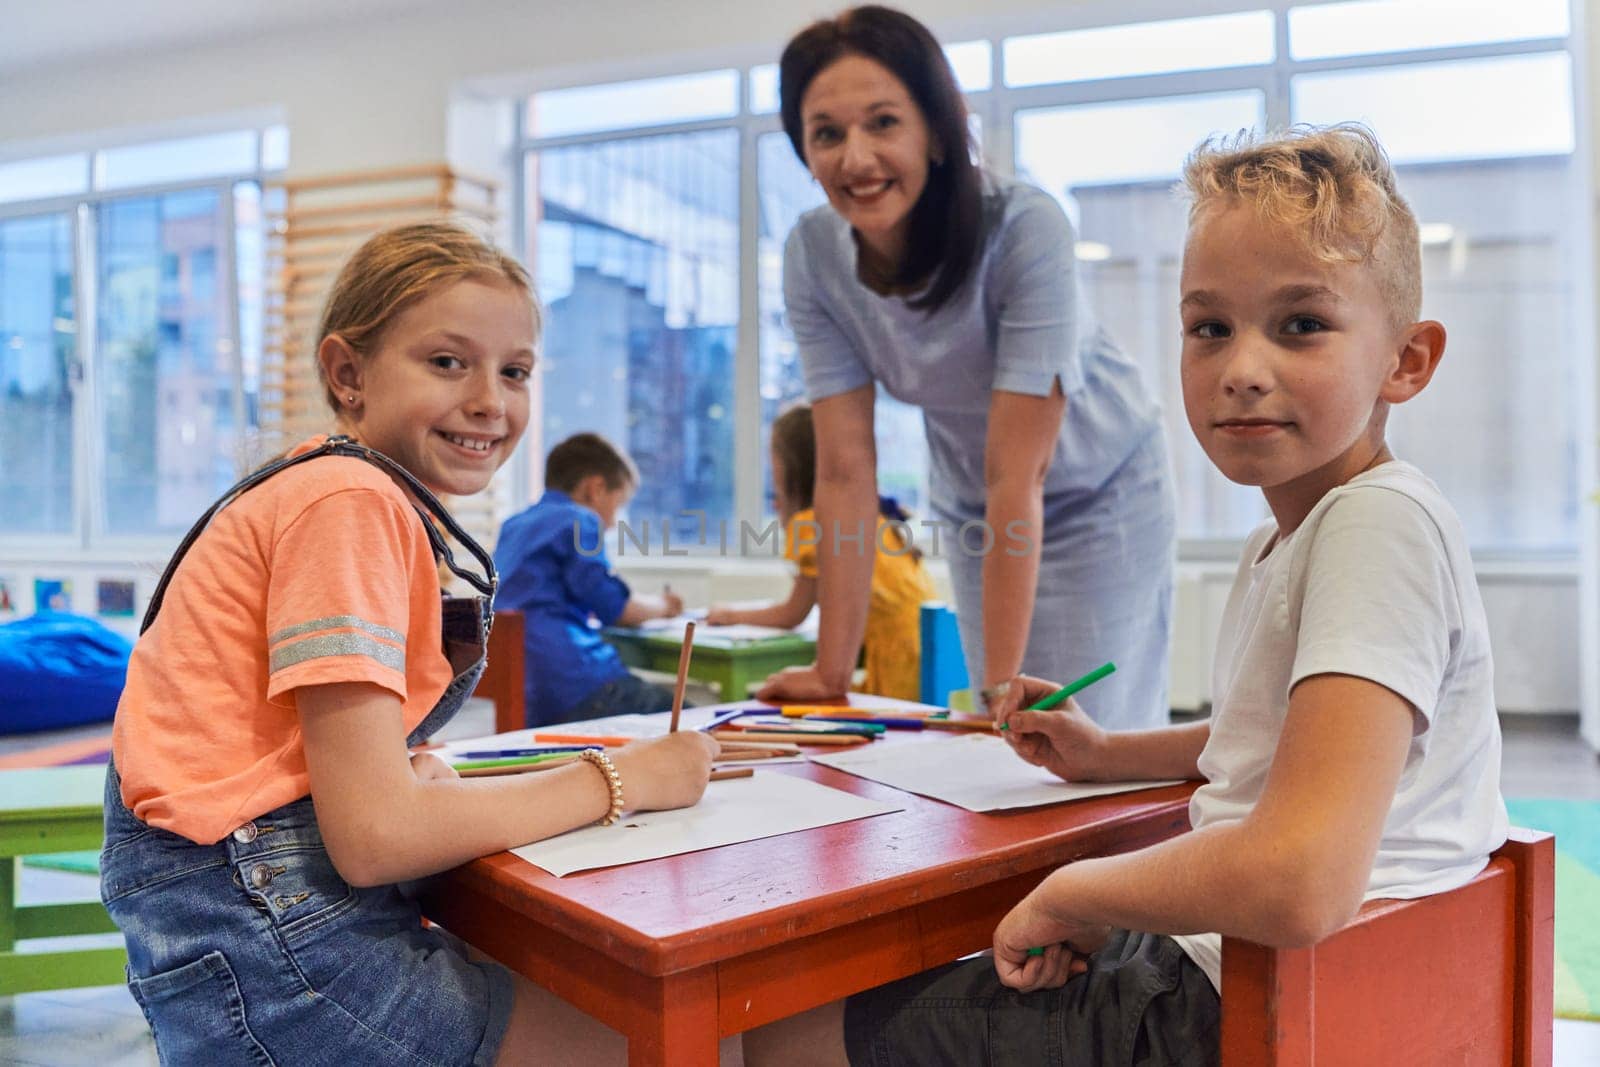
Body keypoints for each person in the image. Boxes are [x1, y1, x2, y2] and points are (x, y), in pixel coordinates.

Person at [744, 123, 1509, 1067]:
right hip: (1265, 972)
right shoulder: (1300, 532)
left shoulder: (1372, 527)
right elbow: (1274, 739)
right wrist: (1107, 753)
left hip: (1231, 995)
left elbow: (1302, 879)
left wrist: (1081, 890)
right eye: (1209, 327)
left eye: (1301, 323)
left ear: (1407, 359)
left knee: (774, 1029)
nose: (1241, 367)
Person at [101, 221, 718, 1065]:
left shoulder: (348, 489)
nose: (489, 402)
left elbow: (341, 782)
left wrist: (397, 770)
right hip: (274, 935)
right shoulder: (348, 501)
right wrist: (623, 777)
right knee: (664, 1041)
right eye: (447, 362)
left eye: (515, 372)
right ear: (348, 374)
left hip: (259, 915)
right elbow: (377, 837)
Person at [756, 5, 1176, 731]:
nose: (855, 159)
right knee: (1008, 733)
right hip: (977, 498)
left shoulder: (1023, 227)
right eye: (827, 133)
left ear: (937, 132)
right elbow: (845, 471)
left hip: (1101, 486)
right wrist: (832, 670)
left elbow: (1021, 473)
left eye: (883, 122)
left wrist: (1004, 685)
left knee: (1085, 728)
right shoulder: (814, 254)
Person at [707, 402, 935, 700]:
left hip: (897, 669)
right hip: (926, 654)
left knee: (774, 699)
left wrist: (730, 614)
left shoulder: (813, 523)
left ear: (790, 467)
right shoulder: (869, 514)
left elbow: (792, 613)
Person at [494, 431, 687, 726]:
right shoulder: (579, 519)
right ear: (595, 489)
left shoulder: (515, 525)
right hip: (574, 682)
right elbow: (616, 609)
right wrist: (664, 605)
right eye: (617, 505)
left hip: (524, 689)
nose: (611, 523)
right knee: (693, 720)